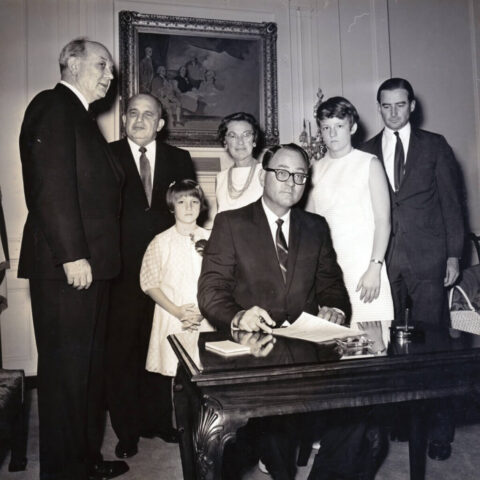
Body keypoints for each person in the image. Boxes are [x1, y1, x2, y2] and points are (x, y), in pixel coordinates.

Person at [198, 143, 351, 479]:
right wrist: (238, 316)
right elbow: (211, 291)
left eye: (299, 175)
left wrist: (335, 309)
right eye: (282, 173)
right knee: (273, 430)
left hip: (307, 349)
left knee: (362, 422)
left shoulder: (315, 226)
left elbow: (332, 285)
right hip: (256, 353)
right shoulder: (231, 223)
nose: (290, 182)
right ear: (263, 177)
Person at [18, 38, 127, 480]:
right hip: (70, 269)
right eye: (101, 64)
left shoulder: (81, 116)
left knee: (85, 373)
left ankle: (83, 462)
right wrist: (73, 255)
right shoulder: (54, 105)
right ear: (71, 62)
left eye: (111, 68)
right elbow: (50, 187)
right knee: (66, 379)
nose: (109, 74)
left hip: (90, 269)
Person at [362, 78, 465, 461]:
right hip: (386, 261)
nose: (392, 113)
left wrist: (454, 254)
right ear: (379, 108)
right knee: (389, 346)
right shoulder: (366, 151)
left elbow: (453, 204)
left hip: (428, 259)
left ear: (412, 106)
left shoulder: (435, 145)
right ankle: (403, 421)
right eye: (385, 106)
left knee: (432, 347)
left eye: (399, 105)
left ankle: (439, 430)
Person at [106, 93, 196, 458]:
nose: (140, 120)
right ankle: (126, 431)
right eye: (133, 113)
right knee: (122, 354)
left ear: (161, 123)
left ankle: (159, 421)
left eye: (149, 115)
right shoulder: (106, 154)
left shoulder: (179, 159)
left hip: (167, 276)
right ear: (124, 119)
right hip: (120, 274)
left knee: (162, 349)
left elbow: (188, 213)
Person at [306, 96, 393, 348]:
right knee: (335, 353)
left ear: (352, 127)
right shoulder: (315, 169)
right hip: (330, 275)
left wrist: (375, 267)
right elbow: (311, 228)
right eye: (326, 128)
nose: (332, 134)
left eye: (339, 126)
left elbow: (383, 220)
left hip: (365, 273)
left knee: (373, 349)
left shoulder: (369, 164)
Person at [140, 180, 215, 436]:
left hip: (206, 315)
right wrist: (177, 311)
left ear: (201, 206)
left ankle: (204, 426)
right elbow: (149, 283)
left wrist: (204, 309)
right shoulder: (161, 242)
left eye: (194, 201)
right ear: (172, 207)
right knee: (175, 374)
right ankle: (174, 426)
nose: (188, 207)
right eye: (181, 202)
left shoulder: (211, 238)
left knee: (204, 373)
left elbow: (220, 279)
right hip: (173, 315)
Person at [216, 112, 264, 213]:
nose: (240, 142)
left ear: (254, 140)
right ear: (225, 142)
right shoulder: (220, 178)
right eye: (232, 136)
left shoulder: (266, 173)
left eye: (246, 135)